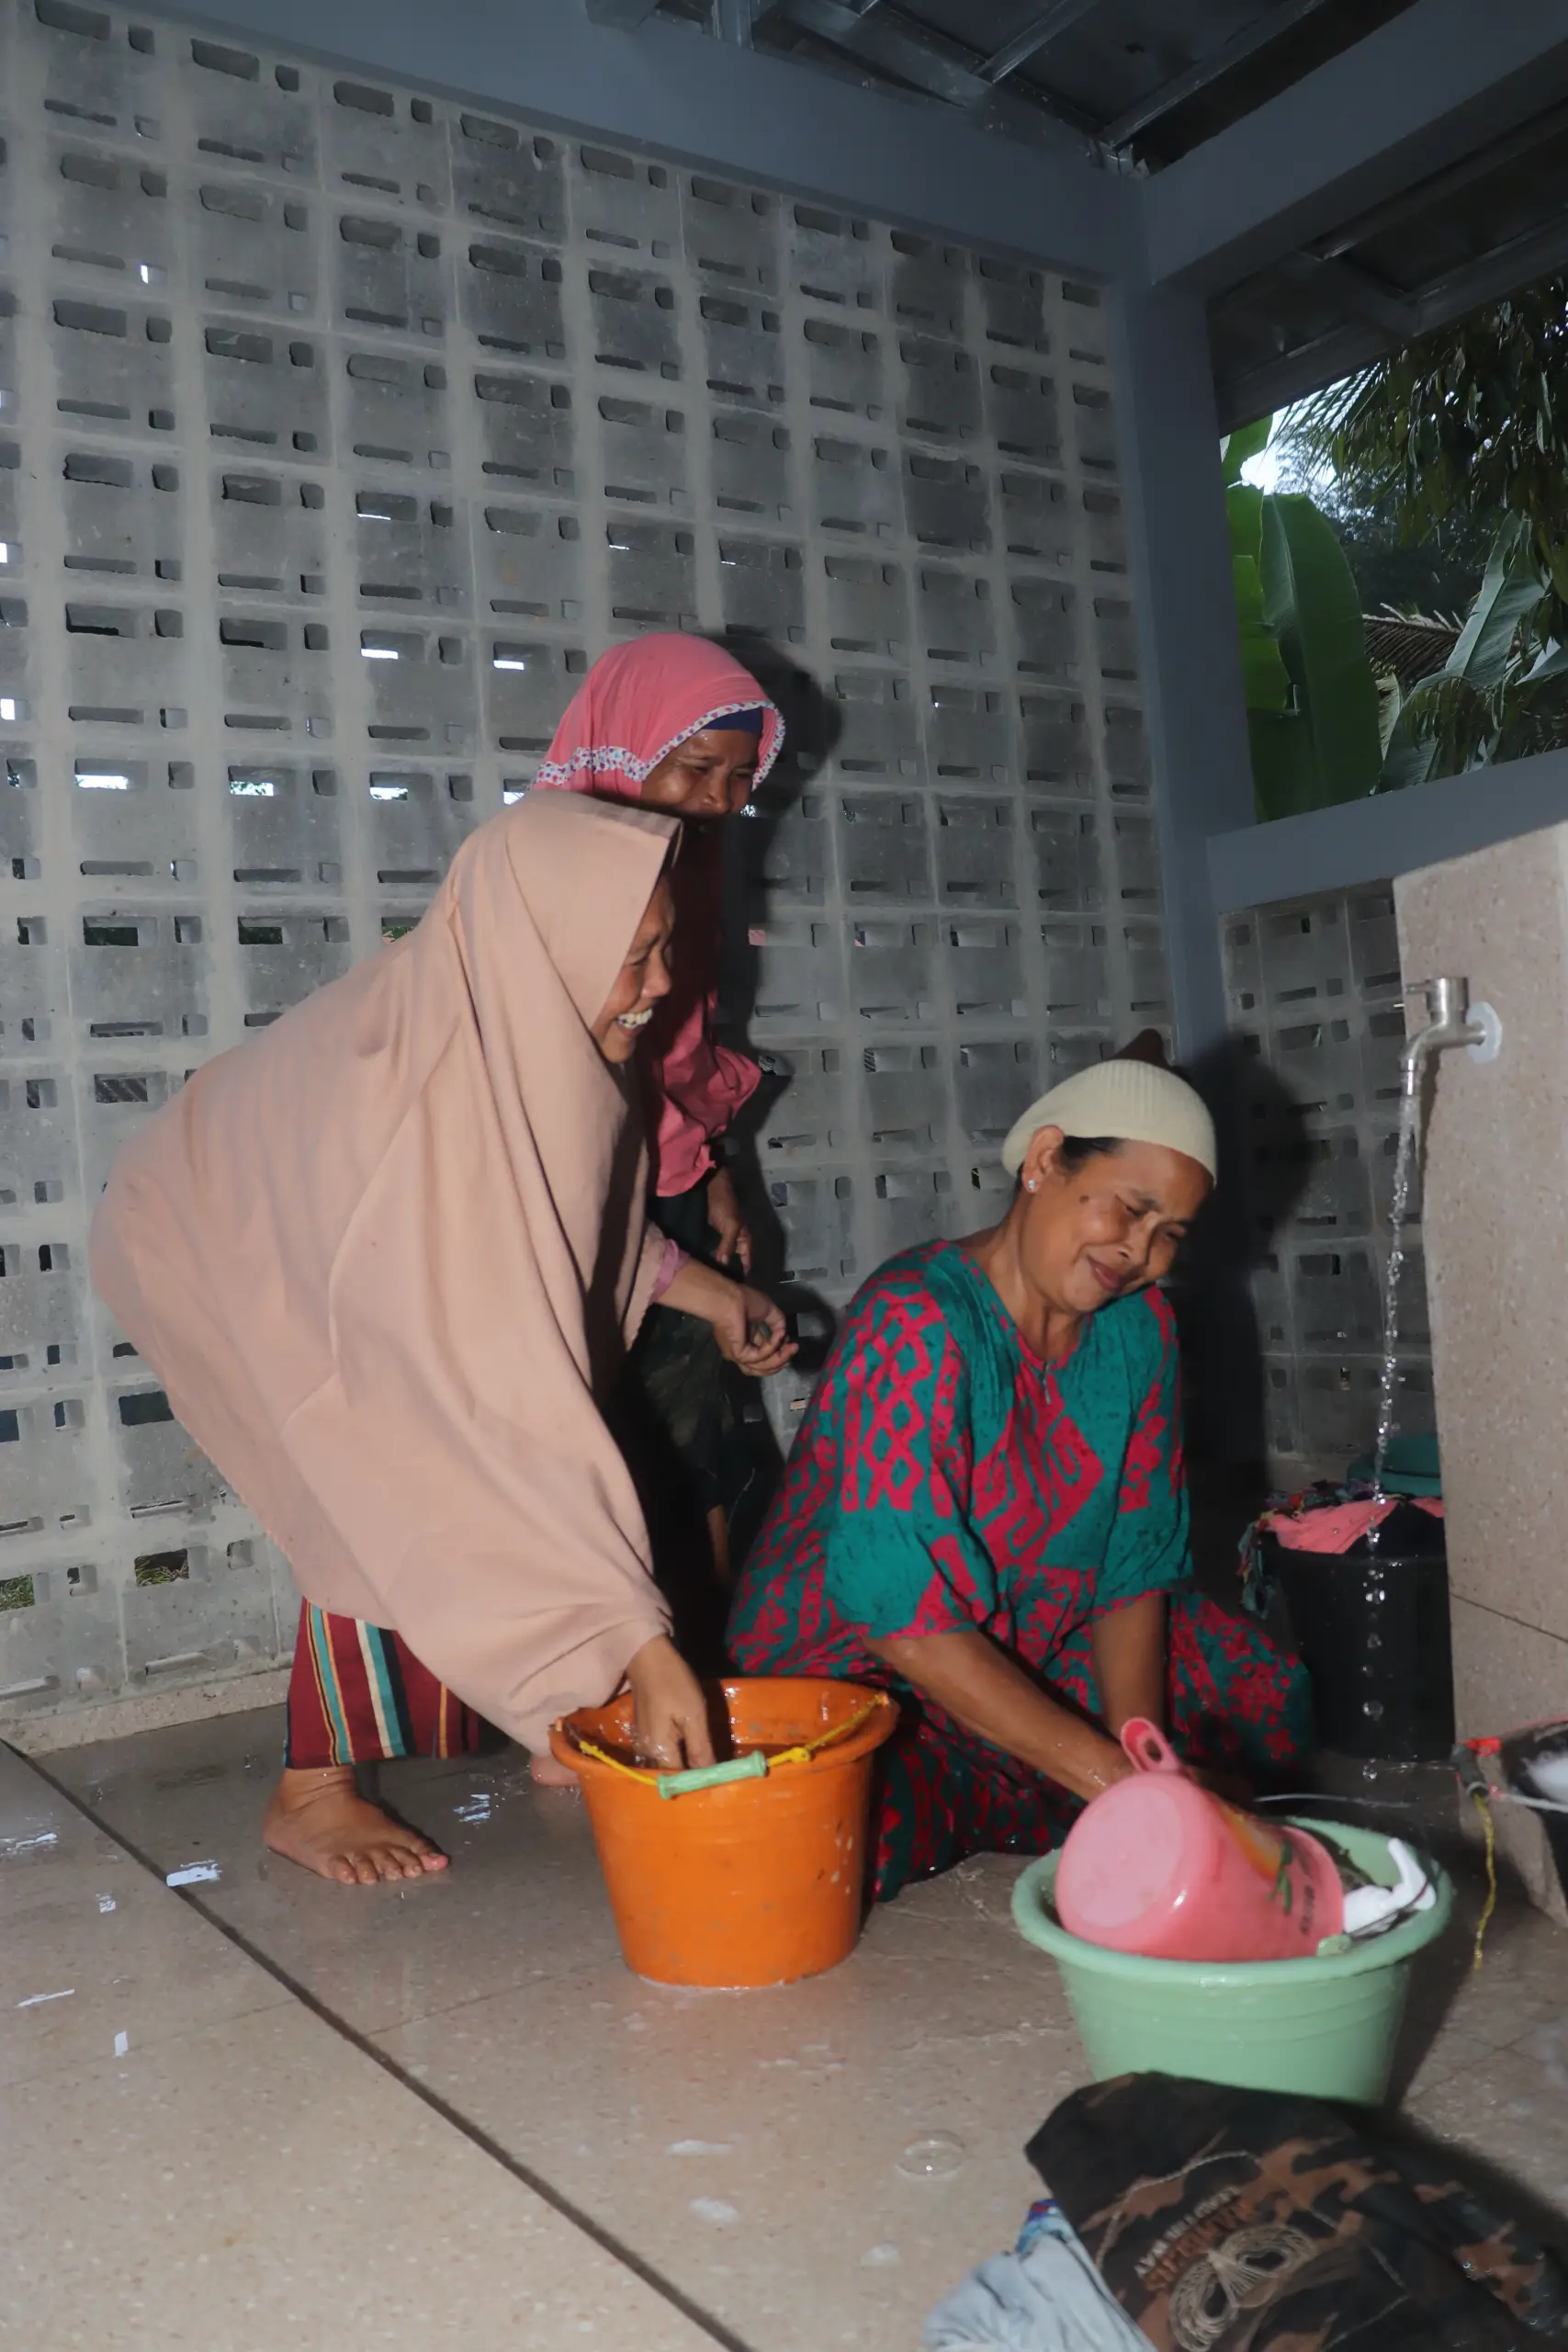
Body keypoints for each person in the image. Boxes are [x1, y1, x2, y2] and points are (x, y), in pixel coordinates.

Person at [89, 792, 792, 1886]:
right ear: (552, 941)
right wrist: (639, 1643)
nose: (663, 986)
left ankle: (566, 1705)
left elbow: (567, 1243)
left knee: (450, 1471)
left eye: (665, 950)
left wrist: (711, 1296)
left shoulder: (551, 1038)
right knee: (374, 1478)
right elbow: (482, 1393)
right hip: (201, 1224)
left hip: (336, 1225)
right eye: (637, 956)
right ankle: (309, 1791)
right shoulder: (429, 1108)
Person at [728, 1052, 1312, 1902]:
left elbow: (1131, 1572)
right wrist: (1118, 1783)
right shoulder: (916, 1319)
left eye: (1169, 1235)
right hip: (862, 1666)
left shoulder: (1138, 1330)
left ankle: (1048, 1792)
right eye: (1131, 1208)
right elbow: (905, 1622)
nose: (1138, 1252)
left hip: (1029, 1635)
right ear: (1043, 1161)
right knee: (822, 1819)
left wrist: (1138, 1751)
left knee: (1252, 1689)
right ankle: (1042, 1792)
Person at [533, 634, 792, 1593]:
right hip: (574, 1188)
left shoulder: (691, 866)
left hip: (668, 1185)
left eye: (739, 777)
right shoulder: (544, 875)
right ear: (627, 750)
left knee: (696, 1443)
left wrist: (713, 1169)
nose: (722, 800)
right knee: (598, 1446)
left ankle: (705, 1668)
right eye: (696, 771)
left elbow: (682, 1044)